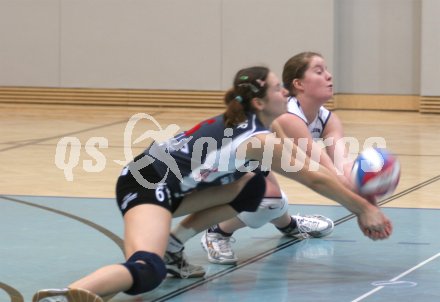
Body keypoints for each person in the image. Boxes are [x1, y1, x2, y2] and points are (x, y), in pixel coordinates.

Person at [33, 66, 392, 302]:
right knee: (148, 269)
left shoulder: (269, 124)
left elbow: (314, 168)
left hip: (176, 186)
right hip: (146, 184)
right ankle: (77, 292)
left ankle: (174, 245)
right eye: (279, 88)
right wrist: (364, 209)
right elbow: (311, 177)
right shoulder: (260, 140)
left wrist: (356, 194)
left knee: (253, 187)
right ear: (258, 101)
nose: (286, 92)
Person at [199, 52, 360, 265]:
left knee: (274, 200)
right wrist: (362, 203)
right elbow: (320, 169)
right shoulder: (289, 117)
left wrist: (358, 178)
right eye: (319, 71)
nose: (329, 76)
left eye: (327, 70)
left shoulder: (327, 118)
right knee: (269, 202)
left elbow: (341, 164)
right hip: (216, 167)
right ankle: (216, 232)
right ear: (299, 84)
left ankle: (289, 225)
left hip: (253, 162)